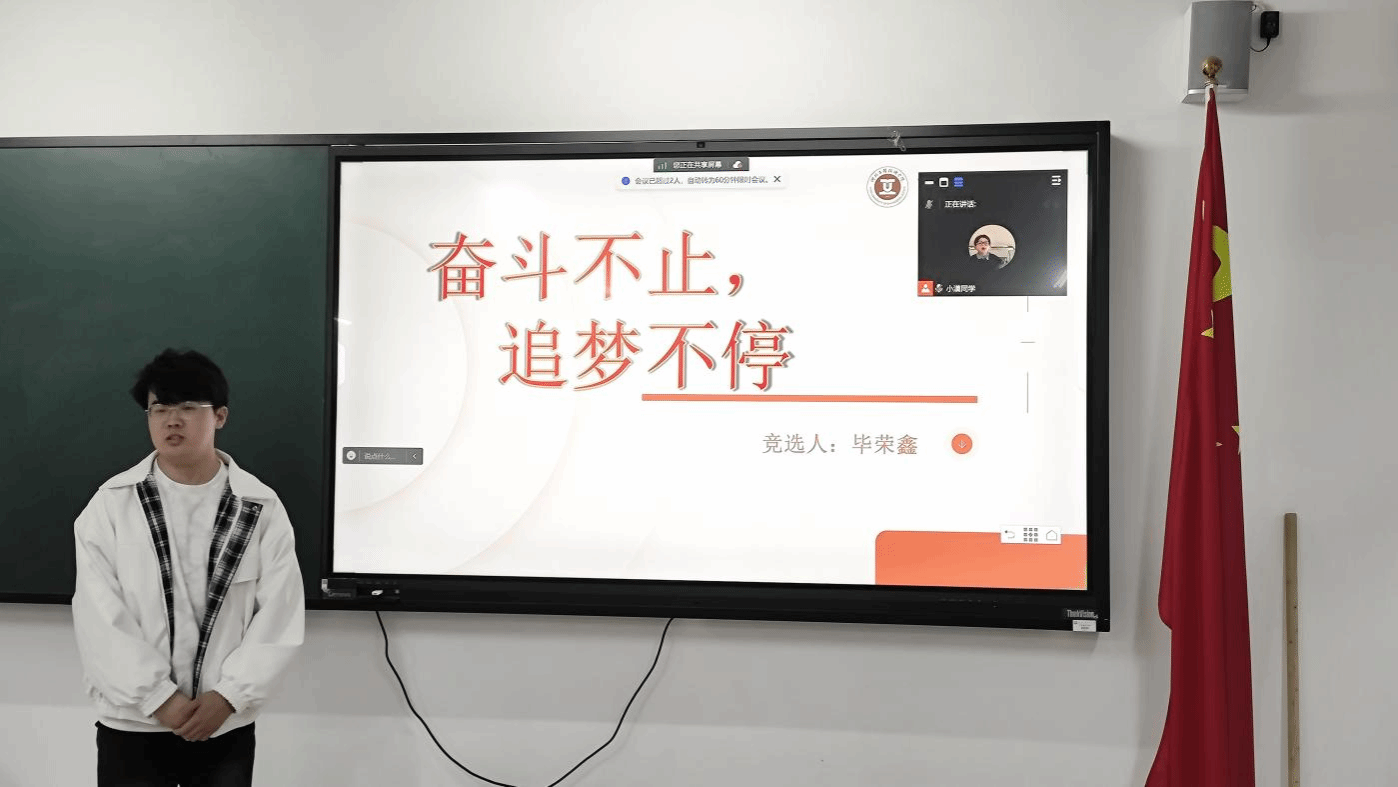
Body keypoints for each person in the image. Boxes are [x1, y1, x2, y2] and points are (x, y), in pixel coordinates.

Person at [72, 349, 305, 786]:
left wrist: (229, 695)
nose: (171, 420)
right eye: (159, 409)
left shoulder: (259, 506)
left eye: (187, 407)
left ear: (219, 416)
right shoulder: (112, 504)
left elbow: (280, 613)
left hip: (223, 722)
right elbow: (97, 615)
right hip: (133, 722)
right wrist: (159, 698)